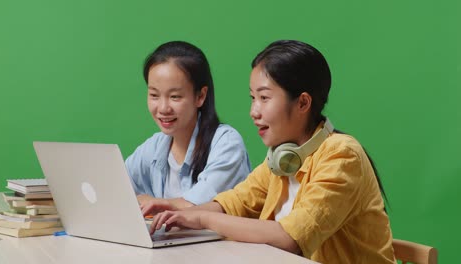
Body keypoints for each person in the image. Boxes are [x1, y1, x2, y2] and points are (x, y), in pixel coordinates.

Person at [150, 40, 395, 263]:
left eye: (264, 98)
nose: (253, 112)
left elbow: (289, 237)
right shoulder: (282, 159)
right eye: (252, 98)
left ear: (302, 103)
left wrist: (201, 219)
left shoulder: (342, 155)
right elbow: (231, 203)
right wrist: (175, 215)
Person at [125, 41, 251, 216]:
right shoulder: (155, 145)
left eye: (175, 97)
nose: (163, 108)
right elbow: (117, 189)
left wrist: (151, 202)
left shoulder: (226, 143)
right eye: (154, 95)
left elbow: (199, 206)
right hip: (174, 243)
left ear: (200, 96)